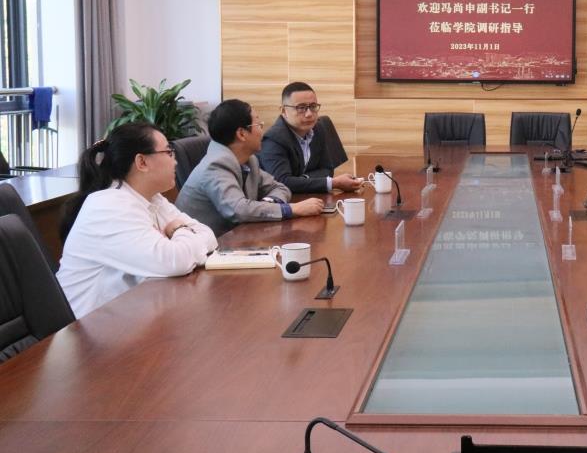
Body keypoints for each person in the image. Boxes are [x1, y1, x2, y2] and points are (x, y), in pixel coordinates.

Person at [57, 122, 217, 318]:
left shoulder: (153, 198)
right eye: (169, 152)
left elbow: (208, 235)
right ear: (142, 162)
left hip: (126, 316)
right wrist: (179, 230)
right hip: (86, 328)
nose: (175, 162)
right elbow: (175, 261)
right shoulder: (109, 206)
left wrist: (181, 236)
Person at [176, 100, 324, 236]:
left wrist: (269, 203)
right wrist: (292, 209)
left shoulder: (249, 159)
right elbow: (238, 209)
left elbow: (280, 187)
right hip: (207, 247)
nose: (262, 131)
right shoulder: (215, 166)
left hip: (238, 237)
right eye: (258, 125)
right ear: (241, 134)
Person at [258, 82, 362, 194]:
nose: (309, 114)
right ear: (284, 111)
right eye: (301, 108)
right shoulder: (273, 139)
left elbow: (327, 169)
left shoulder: (318, 128)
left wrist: (302, 180)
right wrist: (332, 183)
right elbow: (282, 182)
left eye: (313, 107)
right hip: (280, 201)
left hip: (307, 196)